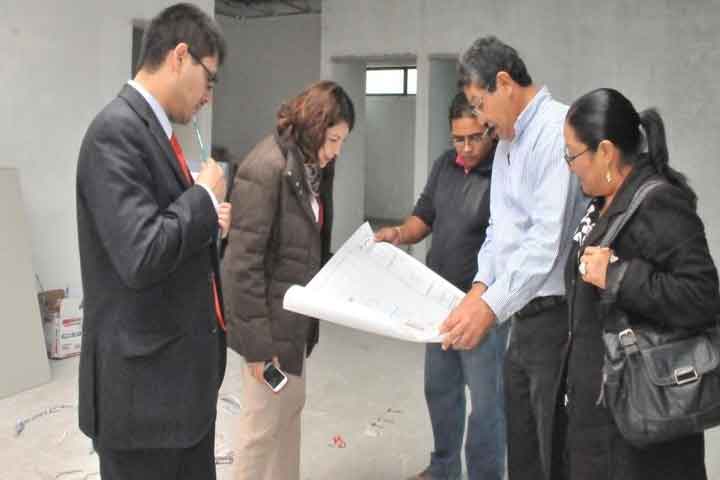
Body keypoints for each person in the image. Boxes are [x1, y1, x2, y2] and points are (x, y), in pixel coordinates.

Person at [75, 4, 229, 479]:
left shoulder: (154, 133)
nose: (208, 97)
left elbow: (164, 230)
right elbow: (141, 254)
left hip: (179, 396)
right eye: (209, 79)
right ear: (180, 56)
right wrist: (203, 198)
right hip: (144, 408)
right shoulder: (115, 132)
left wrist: (205, 218)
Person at [439, 36, 587, 480]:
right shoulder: (507, 141)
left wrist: (487, 307)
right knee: (521, 444)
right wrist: (478, 289)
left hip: (556, 319)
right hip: (521, 317)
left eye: (480, 104)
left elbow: (544, 244)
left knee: (551, 447)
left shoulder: (556, 130)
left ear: (504, 84)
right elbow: (497, 231)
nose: (481, 119)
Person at [558, 87, 720, 479]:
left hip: (641, 431)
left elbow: (701, 296)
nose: (570, 166)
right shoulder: (605, 201)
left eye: (573, 155)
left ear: (606, 152)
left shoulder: (658, 203)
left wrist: (618, 276)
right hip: (603, 418)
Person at [223, 80, 355, 480]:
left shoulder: (313, 169)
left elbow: (308, 245)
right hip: (268, 331)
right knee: (260, 435)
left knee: (287, 423)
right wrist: (258, 349)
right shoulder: (266, 168)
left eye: (342, 141)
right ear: (315, 126)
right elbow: (241, 265)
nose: (337, 151)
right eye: (333, 139)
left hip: (295, 325)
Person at [375, 92, 506, 480]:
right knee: (440, 391)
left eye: (474, 138)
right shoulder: (445, 165)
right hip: (438, 304)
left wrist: (483, 302)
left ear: (490, 131)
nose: (465, 148)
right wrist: (399, 234)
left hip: (482, 309)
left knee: (486, 405)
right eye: (458, 139)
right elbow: (424, 216)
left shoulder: (504, 172)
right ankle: (444, 468)